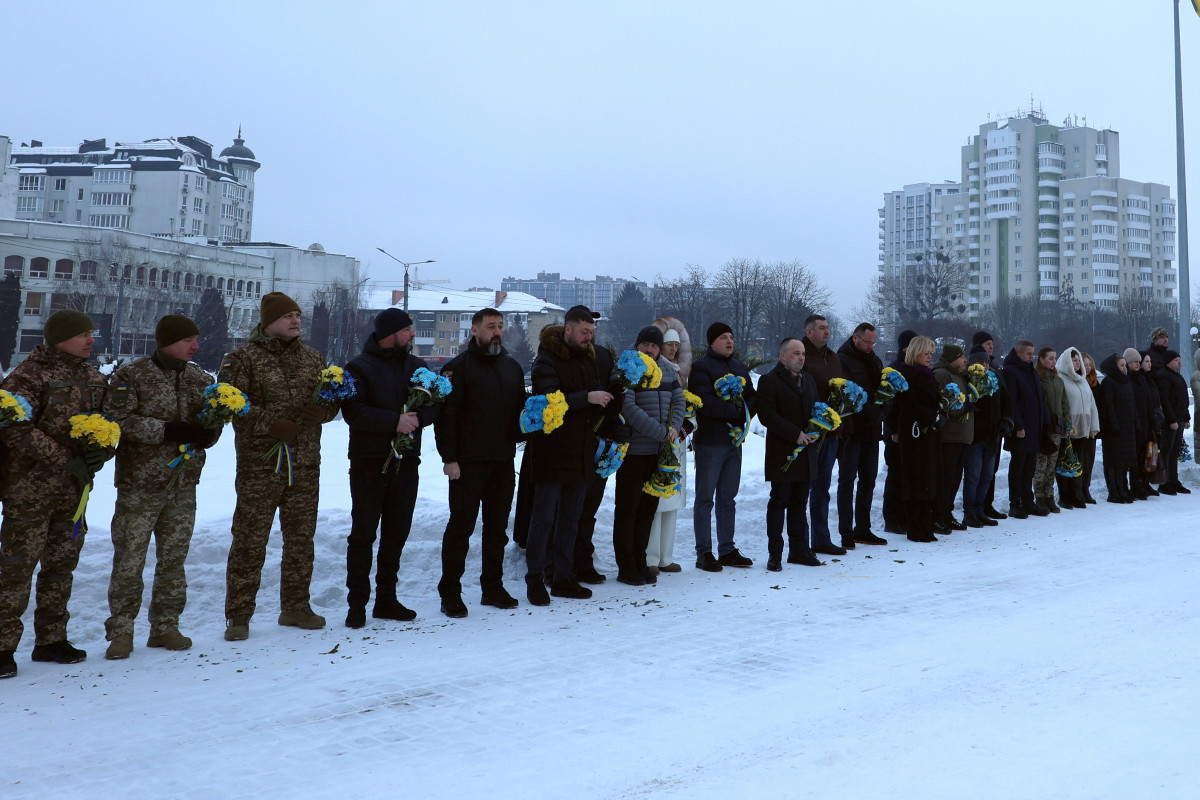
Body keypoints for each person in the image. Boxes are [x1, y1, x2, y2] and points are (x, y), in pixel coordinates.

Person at [220, 292, 340, 641]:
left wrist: (325, 413)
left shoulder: (312, 358)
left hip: (304, 465)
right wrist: (270, 424)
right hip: (261, 466)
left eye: (298, 315)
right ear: (268, 321)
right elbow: (230, 404)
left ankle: (295, 607)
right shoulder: (242, 359)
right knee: (250, 540)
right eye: (288, 316)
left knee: (301, 540)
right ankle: (239, 615)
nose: (296, 321)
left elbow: (331, 400)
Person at [0, 310, 110, 679]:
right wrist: (65, 459)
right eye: (83, 334)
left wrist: (102, 451)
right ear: (60, 338)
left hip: (74, 493)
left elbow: (109, 423)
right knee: (16, 569)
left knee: (61, 566)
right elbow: (14, 426)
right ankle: (2, 646)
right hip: (30, 491)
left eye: (91, 333)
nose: (91, 340)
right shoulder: (29, 375)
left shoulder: (95, 377)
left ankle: (51, 640)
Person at [102, 315, 219, 660]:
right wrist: (166, 430)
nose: (196, 346)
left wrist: (208, 433)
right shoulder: (132, 375)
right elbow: (117, 420)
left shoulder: (201, 378)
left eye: (196, 340)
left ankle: (165, 625)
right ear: (167, 342)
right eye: (188, 341)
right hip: (141, 484)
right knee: (129, 558)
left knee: (173, 559)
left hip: (183, 483)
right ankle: (121, 630)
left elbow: (213, 421)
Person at [341, 308, 440, 627]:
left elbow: (436, 404)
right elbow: (353, 412)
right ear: (390, 334)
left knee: (396, 534)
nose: (412, 334)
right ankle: (357, 604)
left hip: (406, 461)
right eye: (407, 330)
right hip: (369, 463)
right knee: (363, 534)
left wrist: (418, 418)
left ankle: (386, 600)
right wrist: (393, 422)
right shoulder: (358, 367)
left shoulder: (417, 366)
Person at [434, 308, 525, 617]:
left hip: (502, 462)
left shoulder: (511, 367)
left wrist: (532, 422)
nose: (497, 331)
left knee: (497, 529)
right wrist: (449, 458)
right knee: (460, 529)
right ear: (474, 330)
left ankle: (492, 587)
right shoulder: (456, 369)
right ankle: (450, 593)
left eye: (500, 326)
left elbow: (518, 413)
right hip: (467, 464)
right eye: (490, 326)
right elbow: (446, 418)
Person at [524, 306, 611, 604]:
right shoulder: (546, 359)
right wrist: (587, 398)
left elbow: (594, 398)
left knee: (570, 519)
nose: (589, 338)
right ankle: (535, 579)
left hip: (581, 450)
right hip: (552, 452)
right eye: (584, 332)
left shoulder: (588, 359)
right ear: (568, 329)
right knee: (543, 519)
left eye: (592, 333)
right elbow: (549, 401)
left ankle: (563, 577)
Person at [610, 326, 684, 585]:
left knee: (646, 512)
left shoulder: (666, 370)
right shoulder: (627, 367)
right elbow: (627, 407)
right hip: (634, 452)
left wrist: (674, 428)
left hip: (658, 453)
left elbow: (679, 400)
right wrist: (660, 432)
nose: (650, 349)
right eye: (646, 344)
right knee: (627, 510)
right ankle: (626, 566)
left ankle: (640, 561)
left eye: (654, 345)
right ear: (638, 344)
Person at [691, 321, 756, 571]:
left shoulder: (738, 366)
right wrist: (734, 412)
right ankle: (704, 552)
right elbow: (703, 401)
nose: (729, 341)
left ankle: (727, 549)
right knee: (705, 498)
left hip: (733, 442)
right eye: (723, 337)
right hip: (710, 442)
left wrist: (746, 414)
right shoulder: (701, 367)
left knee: (728, 498)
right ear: (712, 342)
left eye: (731, 337)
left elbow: (752, 396)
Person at [757, 338, 822, 570]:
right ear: (783, 356)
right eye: (796, 353)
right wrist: (795, 434)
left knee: (799, 503)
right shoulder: (769, 381)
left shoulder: (809, 380)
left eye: (803, 353)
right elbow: (767, 415)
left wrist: (817, 429)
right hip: (783, 453)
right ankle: (775, 554)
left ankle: (799, 550)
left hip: (805, 452)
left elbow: (816, 410)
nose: (801, 357)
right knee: (779, 502)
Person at [835, 322, 887, 548]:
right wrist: (872, 411)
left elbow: (881, 388)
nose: (870, 346)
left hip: (872, 430)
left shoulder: (874, 359)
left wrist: (884, 405)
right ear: (855, 338)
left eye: (873, 342)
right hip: (852, 430)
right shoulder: (842, 359)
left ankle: (863, 528)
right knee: (847, 481)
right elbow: (847, 394)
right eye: (867, 342)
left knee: (868, 480)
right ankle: (846, 531)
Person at [646, 322, 691, 574]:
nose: (673, 348)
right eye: (669, 344)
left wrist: (687, 425)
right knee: (657, 500)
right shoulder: (655, 370)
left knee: (673, 498)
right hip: (660, 438)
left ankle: (666, 556)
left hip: (677, 443)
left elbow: (688, 403)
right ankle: (651, 557)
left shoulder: (682, 371)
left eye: (676, 344)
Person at [800, 314, 844, 556]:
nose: (827, 332)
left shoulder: (833, 357)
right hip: (809, 432)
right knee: (802, 490)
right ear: (809, 332)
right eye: (821, 328)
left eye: (828, 328)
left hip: (831, 432)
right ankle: (800, 542)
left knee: (822, 488)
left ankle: (821, 538)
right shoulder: (801, 355)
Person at [890, 336, 942, 542]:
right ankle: (915, 526)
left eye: (931, 353)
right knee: (915, 479)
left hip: (928, 433)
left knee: (928, 477)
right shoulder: (906, 374)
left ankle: (925, 524)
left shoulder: (929, 375)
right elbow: (908, 403)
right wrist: (932, 416)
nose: (929, 357)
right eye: (926, 353)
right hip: (914, 432)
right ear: (915, 353)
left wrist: (940, 414)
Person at [962, 349, 1011, 528]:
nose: (985, 365)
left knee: (987, 476)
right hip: (975, 436)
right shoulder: (967, 379)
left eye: (987, 362)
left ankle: (979, 510)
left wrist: (1007, 420)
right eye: (981, 362)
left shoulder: (995, 378)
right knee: (973, 476)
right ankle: (969, 512)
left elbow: (1007, 401)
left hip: (993, 435)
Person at [1002, 340, 1050, 518]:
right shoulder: (1011, 371)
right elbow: (1011, 401)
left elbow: (1038, 399)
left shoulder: (1031, 371)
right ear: (1018, 353)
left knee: (1029, 468)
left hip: (1034, 427)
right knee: (1018, 467)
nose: (1032, 357)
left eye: (1033, 354)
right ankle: (1015, 504)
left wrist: (1044, 422)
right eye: (1028, 354)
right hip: (1021, 429)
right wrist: (1018, 426)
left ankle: (1028, 501)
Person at [931, 343, 972, 532]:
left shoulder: (960, 375)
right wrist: (963, 407)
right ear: (952, 359)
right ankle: (937, 516)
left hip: (961, 435)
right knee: (945, 478)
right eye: (962, 357)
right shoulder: (942, 374)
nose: (965, 360)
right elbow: (946, 405)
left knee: (955, 478)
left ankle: (947, 513)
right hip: (948, 436)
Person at [1055, 347, 1100, 510]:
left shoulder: (1082, 380)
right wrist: (1064, 426)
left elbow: (1092, 405)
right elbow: (1060, 404)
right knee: (1065, 462)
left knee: (1080, 462)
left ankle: (1077, 493)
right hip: (1068, 429)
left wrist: (1094, 426)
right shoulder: (1060, 378)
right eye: (1073, 360)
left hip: (1083, 428)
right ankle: (1064, 495)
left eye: (1078, 360)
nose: (1077, 363)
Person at [881, 330, 916, 533]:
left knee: (907, 475)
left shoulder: (913, 368)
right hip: (895, 433)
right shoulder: (894, 370)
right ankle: (892, 519)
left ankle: (904, 516)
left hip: (910, 430)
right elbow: (889, 404)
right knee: (895, 475)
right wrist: (893, 429)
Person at [1034, 347, 1070, 512]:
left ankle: (1049, 497)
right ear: (1041, 359)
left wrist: (1066, 423)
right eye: (1050, 358)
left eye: (1055, 358)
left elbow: (1064, 403)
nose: (1053, 361)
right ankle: (1039, 497)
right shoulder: (1038, 379)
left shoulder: (1058, 380)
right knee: (1041, 464)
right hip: (1043, 428)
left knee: (1051, 465)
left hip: (1057, 426)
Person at [1096, 354, 1137, 503]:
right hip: (1114, 429)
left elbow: (1131, 406)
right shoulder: (1108, 382)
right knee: (1113, 461)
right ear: (1114, 367)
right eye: (1121, 365)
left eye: (1125, 365)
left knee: (1124, 461)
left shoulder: (1126, 381)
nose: (1124, 368)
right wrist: (1114, 426)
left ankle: (1122, 488)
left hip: (1127, 427)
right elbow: (1109, 406)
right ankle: (1113, 491)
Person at [1156, 349, 1191, 495]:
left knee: (1175, 451)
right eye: (1176, 360)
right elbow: (1165, 400)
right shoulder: (1163, 376)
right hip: (1170, 421)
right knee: (1166, 450)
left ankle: (1173, 480)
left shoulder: (1178, 377)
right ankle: (1164, 482)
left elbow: (1183, 399)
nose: (1179, 363)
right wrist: (1171, 420)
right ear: (1168, 362)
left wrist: (1186, 418)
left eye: (1179, 360)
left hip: (1179, 419)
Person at [1123, 348, 1153, 501]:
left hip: (1145, 421)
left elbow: (1146, 402)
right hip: (1134, 424)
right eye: (1134, 361)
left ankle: (1142, 483)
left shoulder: (1141, 379)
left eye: (1138, 362)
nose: (1137, 364)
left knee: (1144, 455)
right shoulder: (1127, 380)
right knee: (1134, 457)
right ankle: (1135, 486)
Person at [1080, 352, 1102, 504]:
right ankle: (1078, 489)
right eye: (1085, 365)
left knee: (1089, 459)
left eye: (1090, 365)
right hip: (1080, 426)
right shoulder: (1078, 381)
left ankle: (1085, 488)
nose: (1088, 368)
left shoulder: (1095, 383)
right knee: (1080, 460)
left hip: (1092, 427)